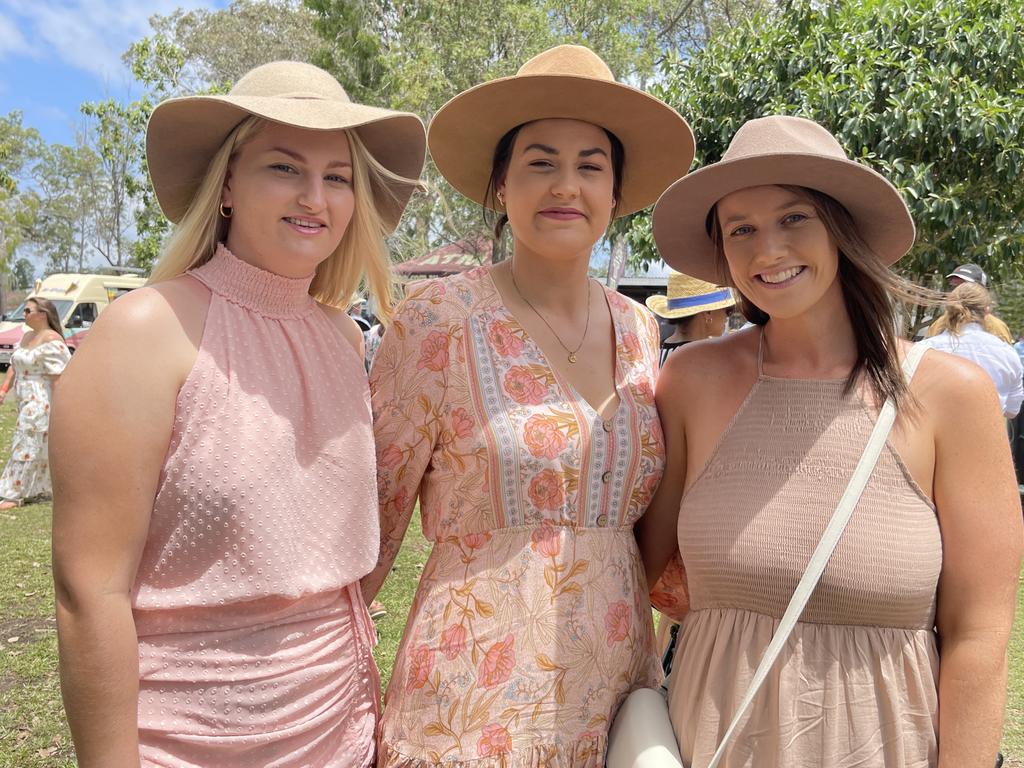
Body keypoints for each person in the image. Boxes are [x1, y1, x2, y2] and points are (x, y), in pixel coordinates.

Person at [49, 61, 425, 767]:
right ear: (226, 184)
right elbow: (88, 593)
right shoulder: (147, 331)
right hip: (190, 742)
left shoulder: (345, 339)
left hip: (340, 724)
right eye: (285, 167)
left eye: (338, 176)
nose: (315, 196)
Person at [638, 115, 1023, 766]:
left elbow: (978, 635)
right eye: (742, 229)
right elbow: (634, 575)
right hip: (713, 743)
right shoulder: (691, 382)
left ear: (842, 230)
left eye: (794, 219)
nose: (768, 251)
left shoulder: (951, 396)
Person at [366, 44, 694, 765]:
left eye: (590, 166)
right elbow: (372, 523)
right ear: (501, 187)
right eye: (540, 162)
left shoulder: (639, 331)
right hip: (472, 691)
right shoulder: (438, 319)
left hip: (612, 688)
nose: (565, 186)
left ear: (616, 193)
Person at [0, 298, 70, 509]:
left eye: (28, 310)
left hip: (41, 401)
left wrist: (61, 409)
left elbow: (59, 377)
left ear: (43, 314)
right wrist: (4, 390)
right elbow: (14, 365)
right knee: (37, 445)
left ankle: (13, 494)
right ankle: (42, 488)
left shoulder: (52, 340)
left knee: (26, 444)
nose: (24, 313)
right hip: (24, 399)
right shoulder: (27, 336)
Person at [919, 282, 1023, 418]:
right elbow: (1012, 411)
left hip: (936, 434)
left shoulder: (926, 349)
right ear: (987, 311)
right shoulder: (1007, 353)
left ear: (949, 309)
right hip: (988, 434)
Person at [645, 271, 735, 366]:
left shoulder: (656, 353)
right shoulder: (704, 358)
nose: (727, 317)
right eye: (728, 310)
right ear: (708, 313)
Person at [930, 263, 1014, 343]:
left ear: (981, 291)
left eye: (965, 287)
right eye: (954, 287)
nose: (958, 291)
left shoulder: (996, 327)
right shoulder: (939, 325)